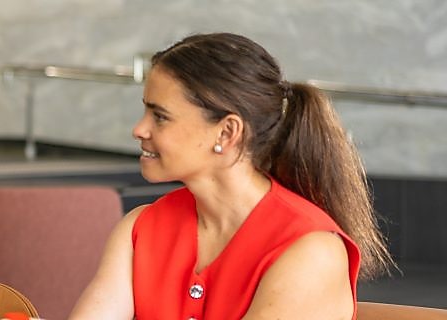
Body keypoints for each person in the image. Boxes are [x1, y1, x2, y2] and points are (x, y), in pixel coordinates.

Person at [70, 33, 393, 319]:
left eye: (160, 116)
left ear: (226, 132)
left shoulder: (310, 252)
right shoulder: (139, 229)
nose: (139, 129)